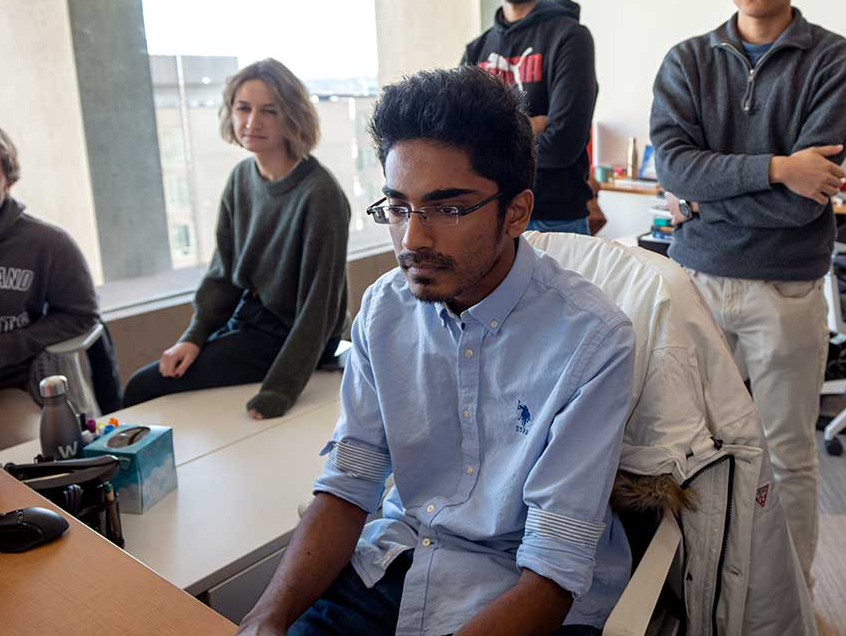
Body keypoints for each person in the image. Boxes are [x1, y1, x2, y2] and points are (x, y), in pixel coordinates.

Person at [235, 67, 635, 636]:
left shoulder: (591, 341)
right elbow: (350, 485)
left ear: (517, 212)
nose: (413, 240)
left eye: (447, 209)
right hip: (394, 565)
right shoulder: (383, 310)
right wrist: (264, 619)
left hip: (517, 593)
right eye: (398, 208)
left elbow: (552, 571)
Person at [648, 0, 846, 584]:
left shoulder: (837, 61)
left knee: (786, 455)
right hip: (695, 284)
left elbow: (810, 202)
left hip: (787, 286)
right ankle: (688, 598)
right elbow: (675, 165)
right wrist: (777, 169)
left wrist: (709, 196)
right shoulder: (687, 61)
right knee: (680, 446)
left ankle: (789, 602)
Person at [122, 59, 350, 419]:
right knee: (148, 384)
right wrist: (193, 337)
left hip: (288, 335)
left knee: (142, 387)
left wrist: (280, 390)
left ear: (291, 115)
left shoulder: (320, 194)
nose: (251, 122)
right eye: (243, 108)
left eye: (269, 111)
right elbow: (223, 274)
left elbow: (318, 309)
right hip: (247, 322)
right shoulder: (242, 178)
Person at [0, 117, 107, 451]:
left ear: (8, 179)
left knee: (30, 451)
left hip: (3, 391)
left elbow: (82, 316)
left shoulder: (46, 243)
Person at [463, 0, 598, 235]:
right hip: (489, 217)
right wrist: (531, 124)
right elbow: (460, 138)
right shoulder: (476, 49)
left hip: (555, 216)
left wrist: (491, 142)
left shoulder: (570, 37)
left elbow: (563, 144)